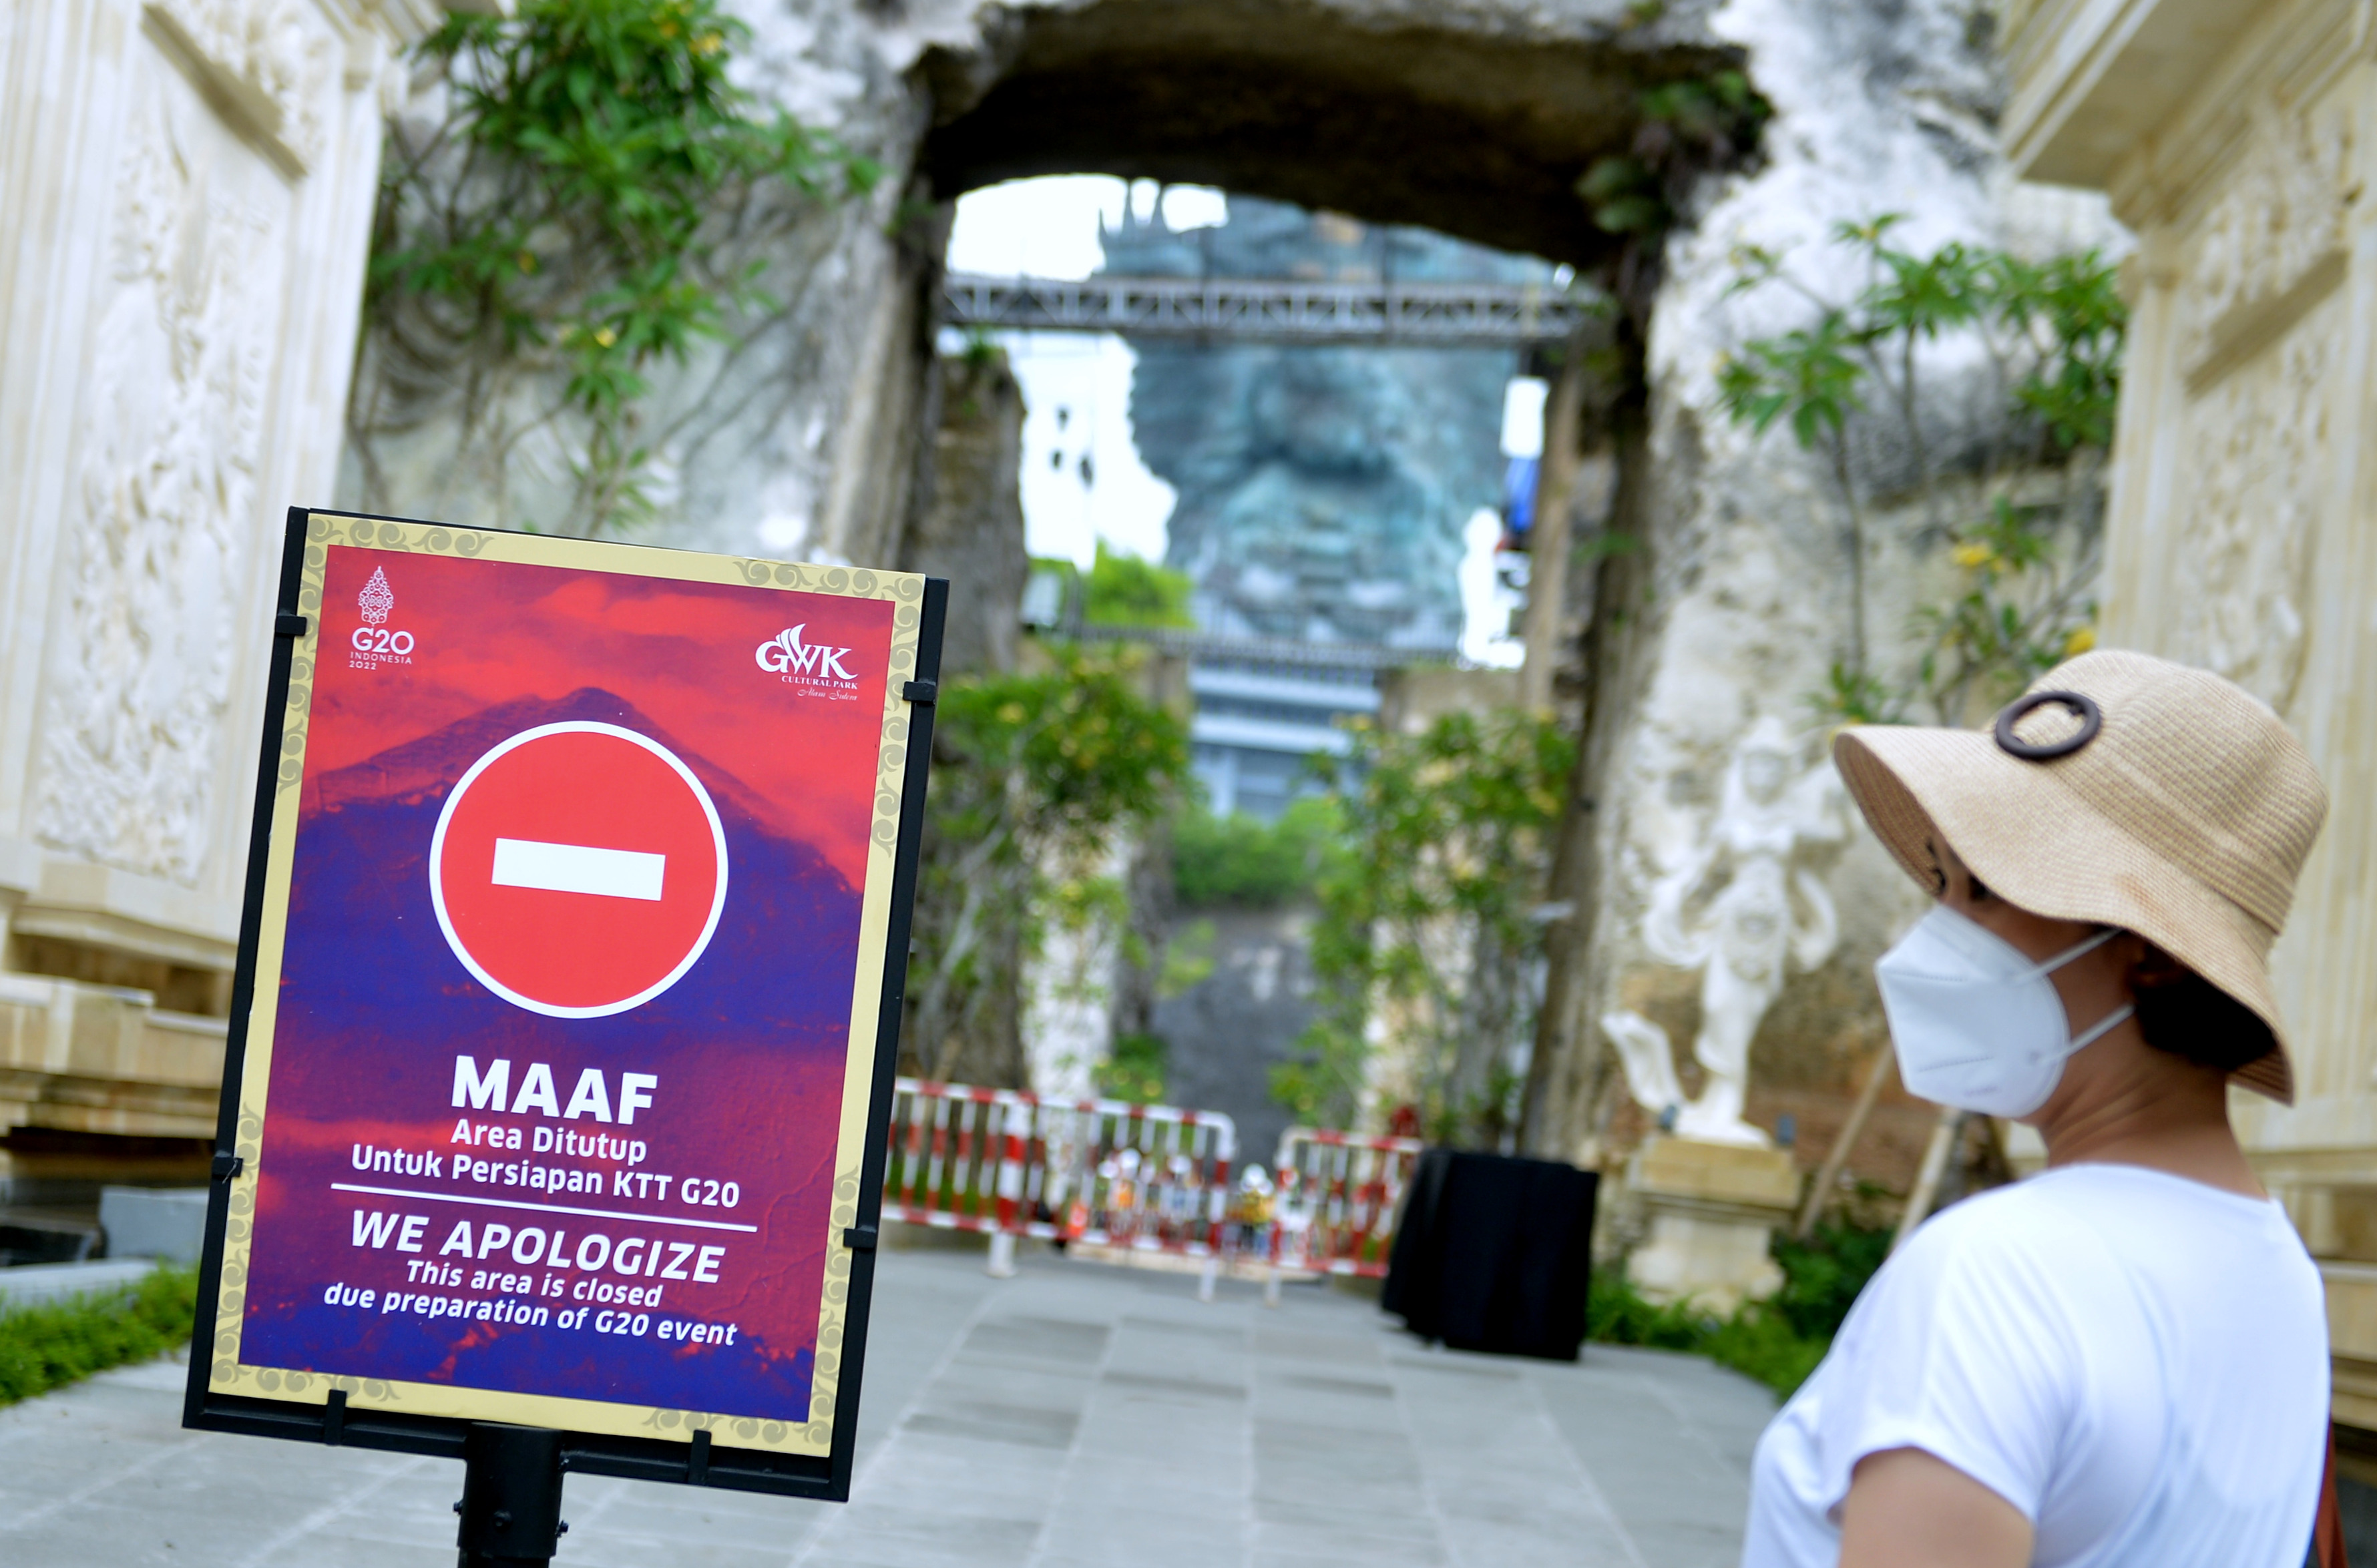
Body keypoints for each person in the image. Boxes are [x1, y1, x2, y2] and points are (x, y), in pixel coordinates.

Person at [1741, 649, 2334, 1568]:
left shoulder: (1992, 1276)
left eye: (1985, 889)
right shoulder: (2284, 1275)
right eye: (1941, 882)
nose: (1934, 934)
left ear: (2152, 952)